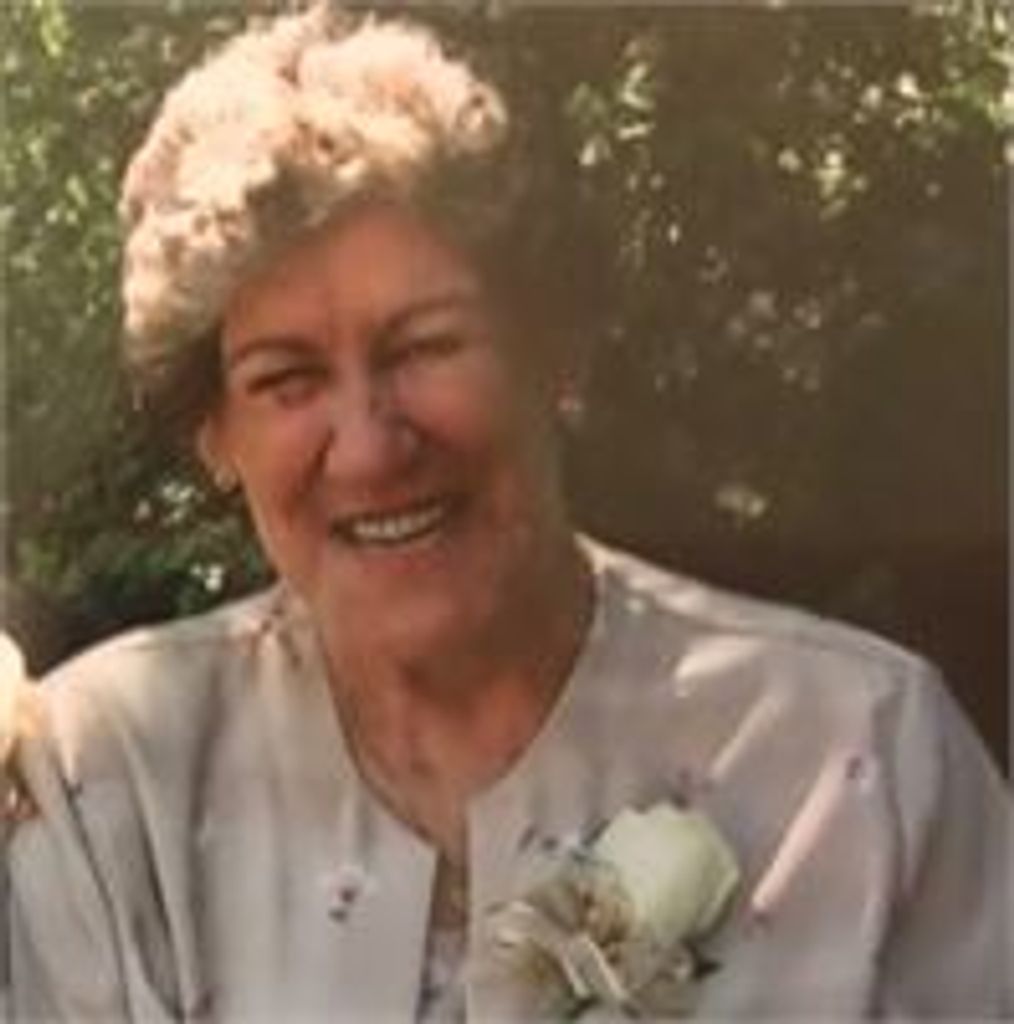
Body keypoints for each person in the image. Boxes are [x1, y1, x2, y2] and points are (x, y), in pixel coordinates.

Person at [2, 5, 1009, 1021]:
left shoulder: (862, 759)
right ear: (216, 434)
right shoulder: (109, 782)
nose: (369, 446)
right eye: (286, 379)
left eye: (425, 346)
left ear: (555, 349)